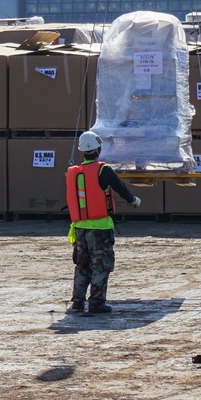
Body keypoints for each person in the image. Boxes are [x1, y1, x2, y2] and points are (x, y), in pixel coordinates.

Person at [65, 131, 141, 314]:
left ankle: (77, 302)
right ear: (99, 149)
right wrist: (134, 201)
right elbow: (120, 188)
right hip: (100, 229)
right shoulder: (103, 170)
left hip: (79, 228)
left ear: (82, 152)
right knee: (100, 265)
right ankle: (97, 303)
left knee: (82, 265)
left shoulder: (73, 172)